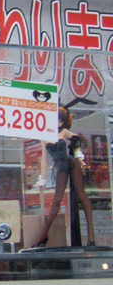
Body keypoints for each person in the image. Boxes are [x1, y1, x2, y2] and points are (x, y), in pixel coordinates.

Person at [30, 99, 96, 247]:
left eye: (60, 120)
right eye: (56, 120)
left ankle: (91, 237)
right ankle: (43, 236)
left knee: (82, 195)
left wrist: (80, 158)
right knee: (56, 201)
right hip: (60, 166)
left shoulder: (64, 132)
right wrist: (43, 178)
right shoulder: (44, 137)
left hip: (71, 163)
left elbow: (76, 140)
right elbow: (44, 159)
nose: (58, 123)